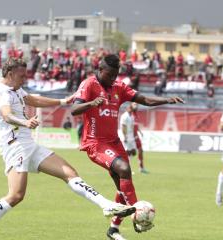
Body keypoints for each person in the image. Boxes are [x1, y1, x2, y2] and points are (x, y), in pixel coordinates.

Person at [0, 58, 135, 240]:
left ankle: (106, 205)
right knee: (16, 195)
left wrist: (63, 101)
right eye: (22, 76)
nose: (25, 79)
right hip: (15, 147)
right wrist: (25, 121)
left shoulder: (16, 90)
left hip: (29, 145)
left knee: (69, 173)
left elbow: (33, 99)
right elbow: (7, 115)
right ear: (10, 74)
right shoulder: (2, 94)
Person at [71, 54, 184, 239]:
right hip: (95, 143)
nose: (113, 79)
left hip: (114, 142)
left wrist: (167, 100)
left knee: (122, 186)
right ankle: (137, 214)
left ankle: (113, 229)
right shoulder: (89, 84)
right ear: (100, 71)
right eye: (109, 75)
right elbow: (74, 110)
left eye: (116, 75)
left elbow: (144, 100)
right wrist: (92, 103)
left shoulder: (119, 87)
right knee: (124, 170)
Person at [120, 103, 147, 174]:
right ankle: (126, 168)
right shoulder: (125, 116)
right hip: (127, 137)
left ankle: (129, 167)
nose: (135, 107)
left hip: (132, 136)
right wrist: (125, 137)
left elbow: (133, 126)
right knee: (127, 153)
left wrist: (137, 133)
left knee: (133, 152)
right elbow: (123, 127)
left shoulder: (131, 116)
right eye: (133, 105)